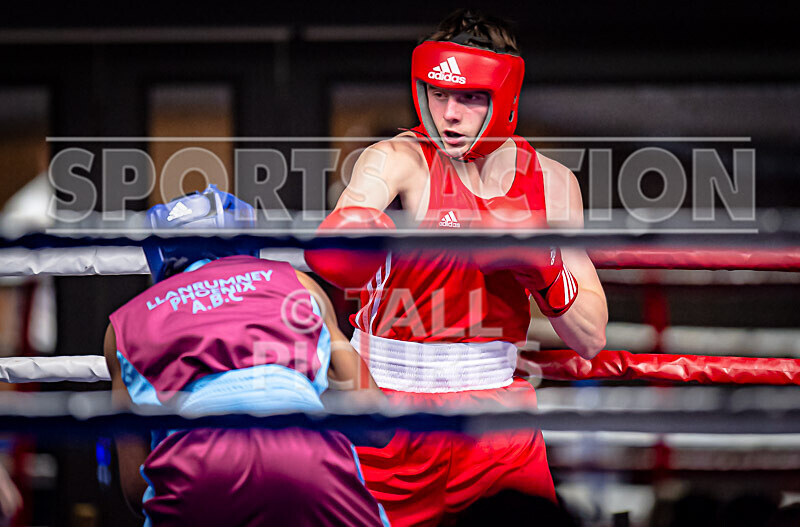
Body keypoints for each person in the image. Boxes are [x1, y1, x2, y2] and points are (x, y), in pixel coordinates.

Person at [306, 9, 608, 526]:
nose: (448, 114)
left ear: (505, 98)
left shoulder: (553, 184)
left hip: (497, 426)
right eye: (439, 94)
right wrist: (352, 238)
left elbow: (592, 337)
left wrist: (546, 268)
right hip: (385, 411)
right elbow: (345, 225)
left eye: (469, 98)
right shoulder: (397, 159)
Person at [104, 185, 390, 526]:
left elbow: (136, 489)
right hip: (306, 454)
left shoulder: (123, 325)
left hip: (194, 473)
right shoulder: (298, 283)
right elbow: (374, 415)